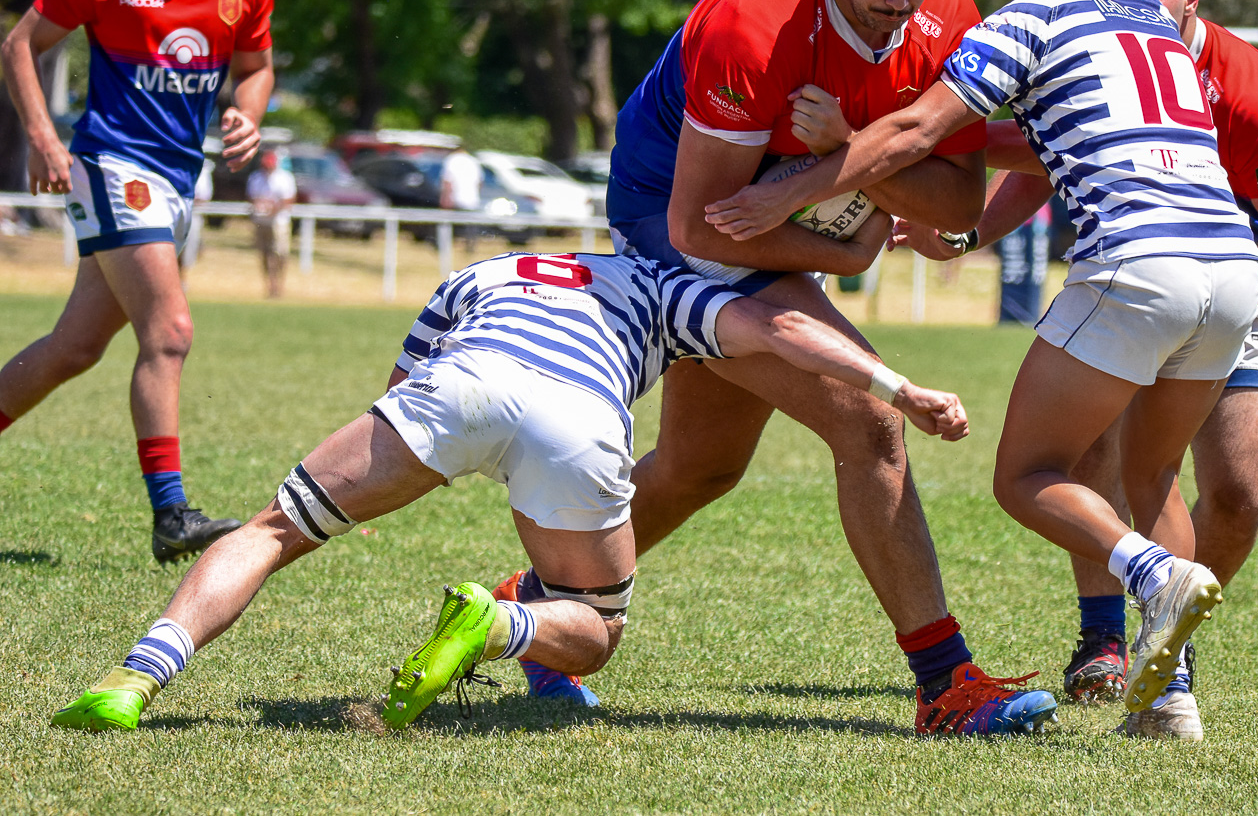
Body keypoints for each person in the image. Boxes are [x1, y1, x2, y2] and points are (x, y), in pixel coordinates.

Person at [705, 0, 1258, 728]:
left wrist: (791, 187)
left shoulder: (1034, 14)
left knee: (1026, 475)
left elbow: (923, 128)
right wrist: (956, 220)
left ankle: (1154, 575)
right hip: (1233, 268)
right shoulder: (1159, 24)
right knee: (1153, 477)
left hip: (1137, 263)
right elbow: (1035, 138)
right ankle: (1172, 698)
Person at [501, 0, 1056, 736]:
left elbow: (953, 203)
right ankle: (945, 683)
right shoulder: (752, 30)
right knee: (871, 423)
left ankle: (533, 606)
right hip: (670, 217)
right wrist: (847, 238)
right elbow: (699, 225)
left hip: (767, 217)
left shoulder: (946, 6)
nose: (903, 3)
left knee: (700, 466)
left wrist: (844, 159)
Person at [49, 250, 974, 733]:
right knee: (594, 627)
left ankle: (136, 676)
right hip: (577, 419)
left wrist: (408, 462)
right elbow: (776, 330)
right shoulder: (658, 287)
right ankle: (500, 626)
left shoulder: (482, 272)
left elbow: (407, 373)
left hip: (458, 387)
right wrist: (899, 390)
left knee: (274, 528)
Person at [888, 0, 1258, 738]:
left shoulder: (1234, 78)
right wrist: (964, 234)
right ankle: (1141, 670)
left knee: (1198, 490)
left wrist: (826, 155)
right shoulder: (1128, 42)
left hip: (1231, 282)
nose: (1135, 1)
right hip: (1205, 277)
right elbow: (1043, 156)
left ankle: (1158, 591)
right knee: (1131, 466)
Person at [0, 0, 274, 562]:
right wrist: (44, 136)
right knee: (171, 330)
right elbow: (20, 44)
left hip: (179, 178)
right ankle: (171, 513)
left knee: (73, 347)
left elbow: (255, 71)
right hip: (112, 165)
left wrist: (247, 117)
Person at [247, 148, 296, 298]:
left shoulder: (284, 178)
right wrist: (259, 205)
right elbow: (251, 196)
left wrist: (274, 208)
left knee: (280, 254)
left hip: (279, 222)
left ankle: (279, 284)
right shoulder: (256, 177)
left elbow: (289, 199)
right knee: (265, 254)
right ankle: (270, 284)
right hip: (261, 221)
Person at [440, 146, 484, 251]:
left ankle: (444, 246)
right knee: (470, 227)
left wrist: (445, 198)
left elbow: (448, 181)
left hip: (456, 198)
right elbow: (480, 182)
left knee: (449, 225)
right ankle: (470, 247)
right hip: (472, 199)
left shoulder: (451, 159)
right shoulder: (473, 161)